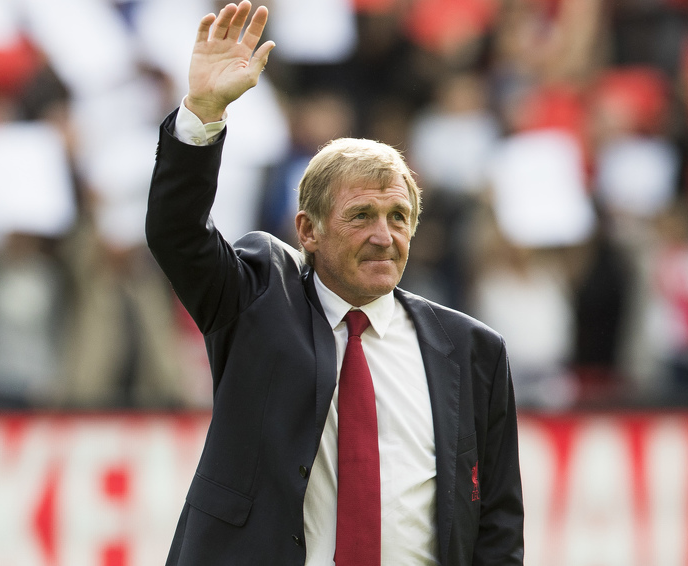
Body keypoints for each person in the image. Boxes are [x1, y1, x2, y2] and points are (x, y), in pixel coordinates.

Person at [146, 2, 524, 564]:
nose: (383, 235)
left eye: (399, 217)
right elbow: (177, 234)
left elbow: (495, 523)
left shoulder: (473, 352)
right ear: (309, 230)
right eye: (361, 215)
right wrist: (203, 110)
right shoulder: (257, 299)